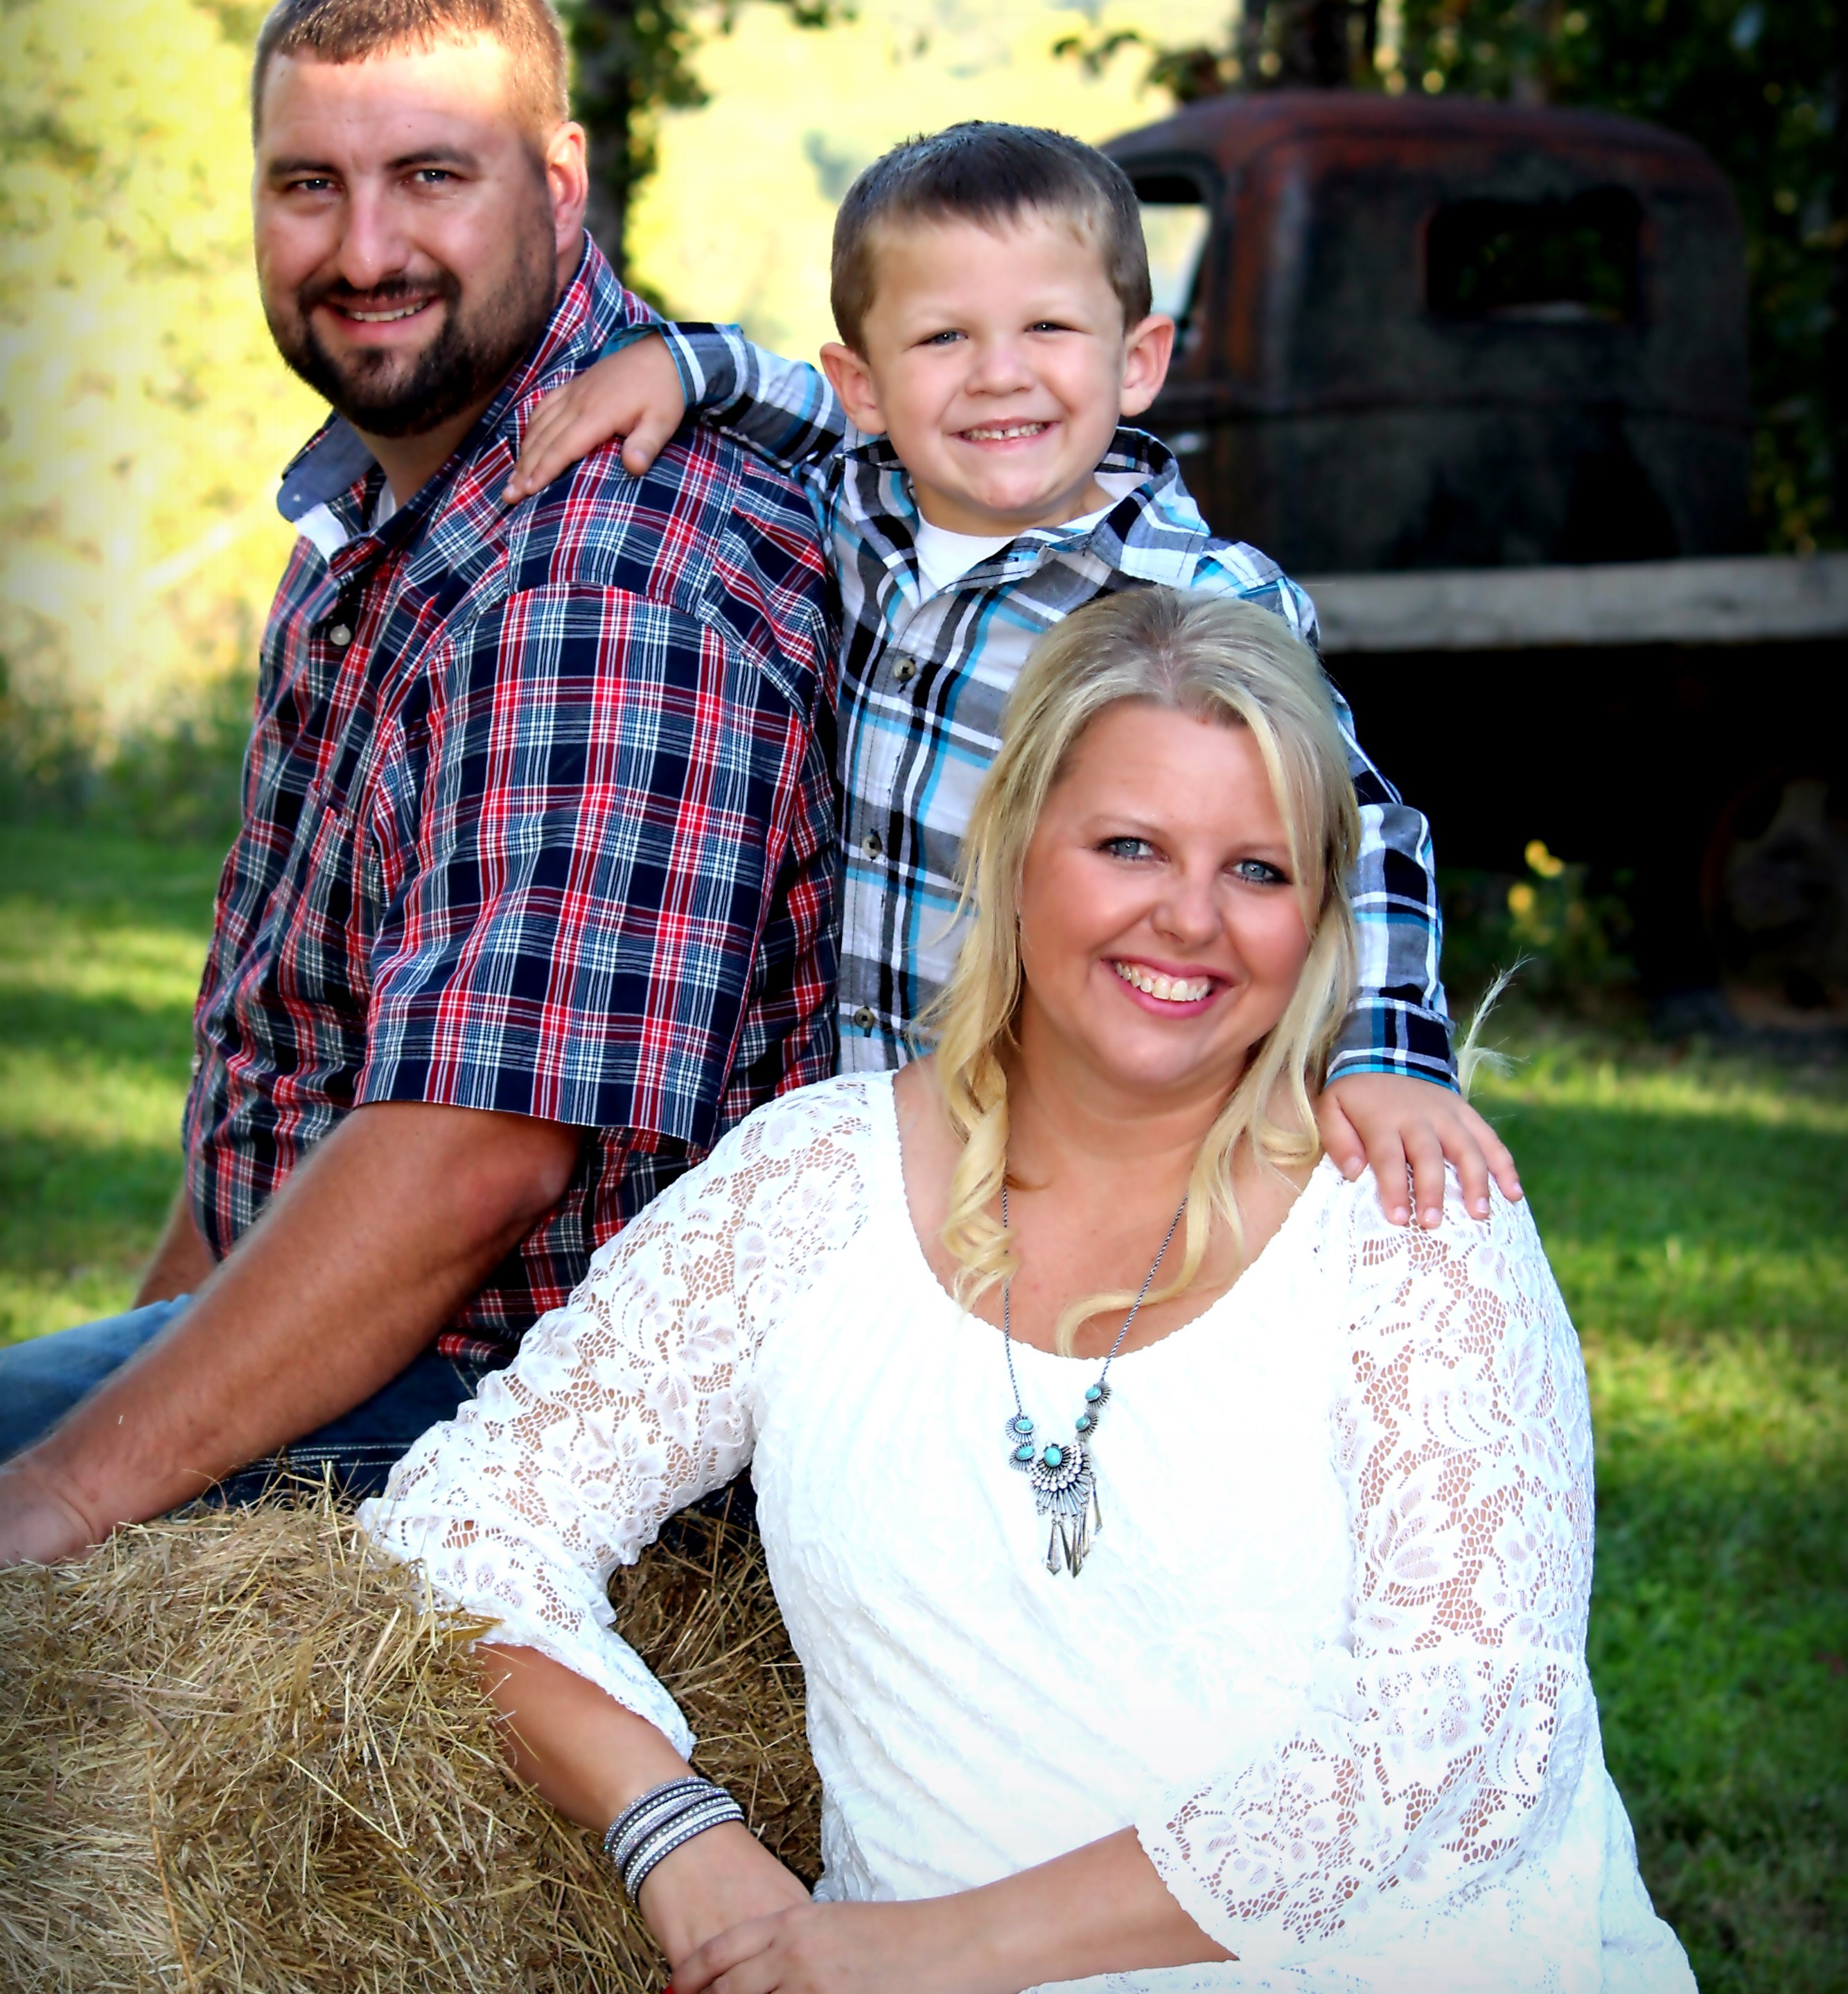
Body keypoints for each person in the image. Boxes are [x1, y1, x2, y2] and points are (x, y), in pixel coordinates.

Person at [364, 586, 1691, 1994]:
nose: (1188, 919)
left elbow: (1452, 1738)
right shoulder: (810, 1184)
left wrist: (926, 1950)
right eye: (1129, 845)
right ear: (1012, 853)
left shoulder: (1413, 1220)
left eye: (1258, 869)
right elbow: (463, 1519)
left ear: (1318, 912)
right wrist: (678, 1833)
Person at [0, 0, 835, 1565]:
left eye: (428, 177)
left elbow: (470, 1165)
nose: (363, 246)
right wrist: (138, 1370)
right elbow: (292, 1064)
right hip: (392, 1359)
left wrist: (69, 1497)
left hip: (546, 1424)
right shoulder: (393, 511)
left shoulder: (607, 574)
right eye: (309, 183)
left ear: (557, 179)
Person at [506, 120, 1520, 1234]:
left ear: (1137, 361)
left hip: (1091, 1146)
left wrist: (1389, 1050)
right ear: (869, 383)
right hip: (869, 1135)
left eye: (1049, 326)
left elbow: (1360, 827)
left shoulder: (1196, 595)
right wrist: (680, 361)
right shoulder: (857, 510)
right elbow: (794, 404)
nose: (1000, 375)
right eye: (944, 338)